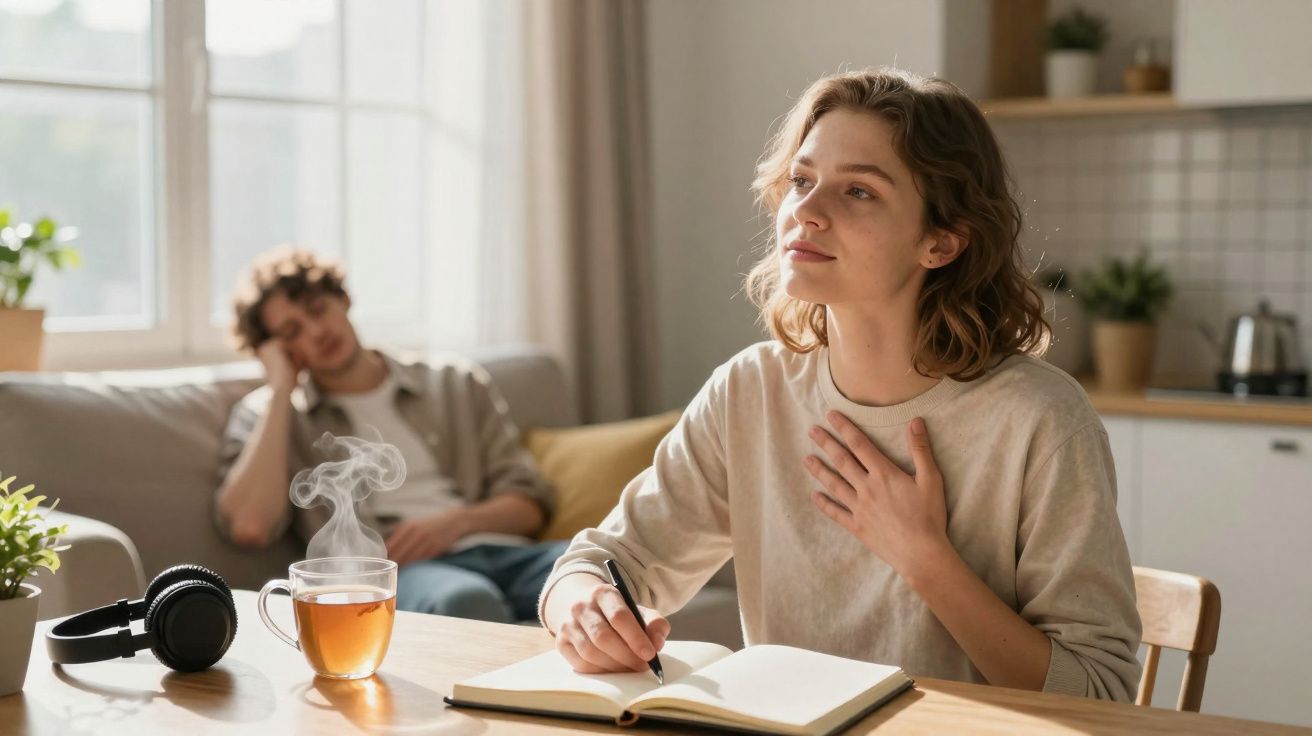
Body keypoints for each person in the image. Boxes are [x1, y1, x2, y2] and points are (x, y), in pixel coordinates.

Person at [538, 68, 1143, 701]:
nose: (806, 211)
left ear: (941, 241)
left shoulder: (1038, 418)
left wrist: (923, 557)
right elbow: (598, 563)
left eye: (858, 192)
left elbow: (1097, 693)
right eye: (802, 181)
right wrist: (581, 608)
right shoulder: (750, 391)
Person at [214, 247, 567, 623]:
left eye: (317, 310)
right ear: (278, 349)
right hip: (407, 572)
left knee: (609, 569)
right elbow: (250, 526)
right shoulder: (272, 415)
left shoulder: (453, 382)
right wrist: (282, 388)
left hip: (507, 552)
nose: (316, 332)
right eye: (292, 331)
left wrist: (453, 525)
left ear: (343, 298)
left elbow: (530, 505)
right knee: (467, 600)